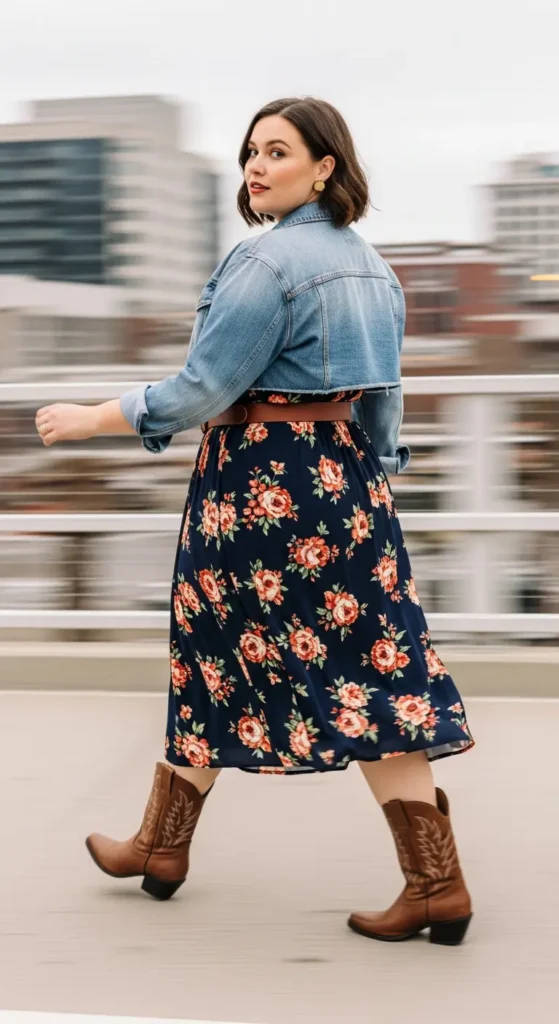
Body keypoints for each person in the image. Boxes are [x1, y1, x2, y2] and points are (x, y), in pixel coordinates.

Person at [35, 96, 474, 945]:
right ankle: (166, 847)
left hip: (259, 493)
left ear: (324, 167)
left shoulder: (264, 261)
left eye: (277, 151)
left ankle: (431, 883)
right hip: (348, 486)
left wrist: (92, 418)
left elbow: (203, 388)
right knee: (360, 664)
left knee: (240, 657)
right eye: (249, 153)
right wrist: (372, 475)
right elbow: (382, 399)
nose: (255, 168)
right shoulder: (374, 269)